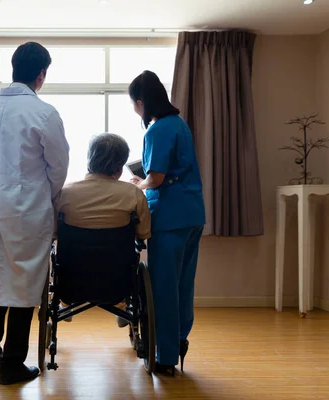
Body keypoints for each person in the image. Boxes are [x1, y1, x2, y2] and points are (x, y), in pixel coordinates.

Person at [0, 42, 70, 385]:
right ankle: (13, 363)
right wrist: (47, 194)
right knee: (25, 284)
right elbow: (58, 168)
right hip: (27, 206)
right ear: (41, 74)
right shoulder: (44, 113)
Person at [127, 70, 205, 376]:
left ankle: (166, 356)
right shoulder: (180, 125)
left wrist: (138, 184)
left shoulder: (157, 130)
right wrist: (147, 180)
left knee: (164, 287)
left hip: (170, 217)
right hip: (193, 214)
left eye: (134, 104)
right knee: (184, 285)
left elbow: (156, 179)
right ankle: (179, 341)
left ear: (142, 101)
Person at [55, 133, 151, 323]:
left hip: (72, 281)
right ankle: (122, 306)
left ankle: (65, 304)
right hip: (116, 283)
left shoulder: (64, 193)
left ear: (90, 158)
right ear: (120, 165)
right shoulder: (133, 194)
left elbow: (53, 233)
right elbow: (143, 233)